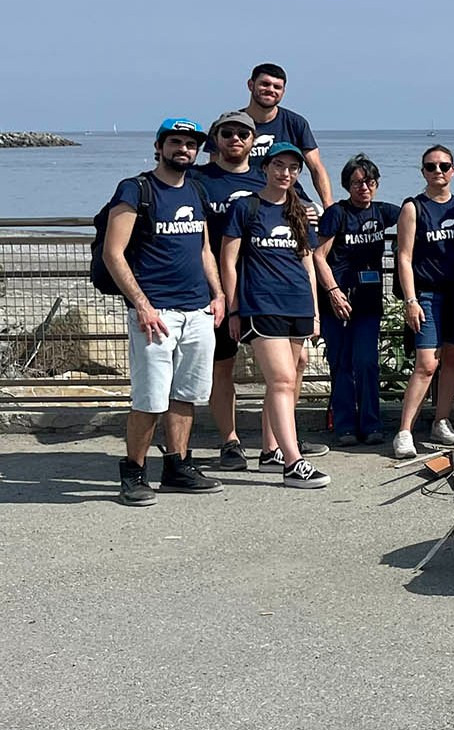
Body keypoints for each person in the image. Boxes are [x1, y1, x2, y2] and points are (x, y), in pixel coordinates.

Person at [101, 118, 225, 505]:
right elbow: (113, 253)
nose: (183, 149)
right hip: (155, 313)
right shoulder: (136, 189)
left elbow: (204, 250)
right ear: (160, 146)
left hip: (197, 311)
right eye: (176, 142)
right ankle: (134, 473)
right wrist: (142, 304)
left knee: (186, 395)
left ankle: (178, 466)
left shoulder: (197, 190)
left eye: (190, 144)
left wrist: (218, 294)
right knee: (150, 399)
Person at [219, 142, 329, 488]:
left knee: (293, 374)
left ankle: (271, 450)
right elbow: (228, 261)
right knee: (280, 379)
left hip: (297, 303)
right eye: (279, 166)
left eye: (293, 168)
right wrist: (233, 307)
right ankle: (293, 461)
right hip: (261, 304)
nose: (286, 173)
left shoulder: (298, 210)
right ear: (265, 167)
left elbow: (308, 262)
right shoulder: (246, 207)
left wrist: (314, 311)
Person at [190, 110, 281, 471]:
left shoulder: (267, 178)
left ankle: (274, 443)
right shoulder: (199, 179)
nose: (235, 139)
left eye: (243, 133)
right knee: (222, 366)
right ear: (216, 139)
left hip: (264, 287)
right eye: (227, 133)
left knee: (291, 364)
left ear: (253, 140)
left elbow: (300, 210)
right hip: (213, 288)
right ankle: (230, 441)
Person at [391, 146, 454, 460]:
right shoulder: (413, 208)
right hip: (427, 293)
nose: (438, 172)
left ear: (453, 170)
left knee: (453, 358)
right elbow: (403, 257)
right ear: (423, 172)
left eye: (444, 166)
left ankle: (441, 420)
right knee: (427, 364)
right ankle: (405, 430)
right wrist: (410, 300)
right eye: (431, 167)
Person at [313, 154, 398, 448]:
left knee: (366, 362)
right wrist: (333, 291)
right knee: (341, 363)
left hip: (368, 300)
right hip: (336, 299)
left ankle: (372, 423)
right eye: (357, 182)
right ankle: (345, 424)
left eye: (369, 182)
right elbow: (318, 256)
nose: (364, 187)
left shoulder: (383, 212)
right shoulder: (337, 213)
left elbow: (415, 216)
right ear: (347, 185)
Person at [221, 62, 334, 206]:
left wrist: (328, 205)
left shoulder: (296, 123)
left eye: (277, 87)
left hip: (290, 198)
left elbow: (316, 167)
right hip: (245, 199)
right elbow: (216, 168)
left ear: (283, 92)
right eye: (265, 84)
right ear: (251, 85)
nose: (270, 90)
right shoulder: (230, 126)